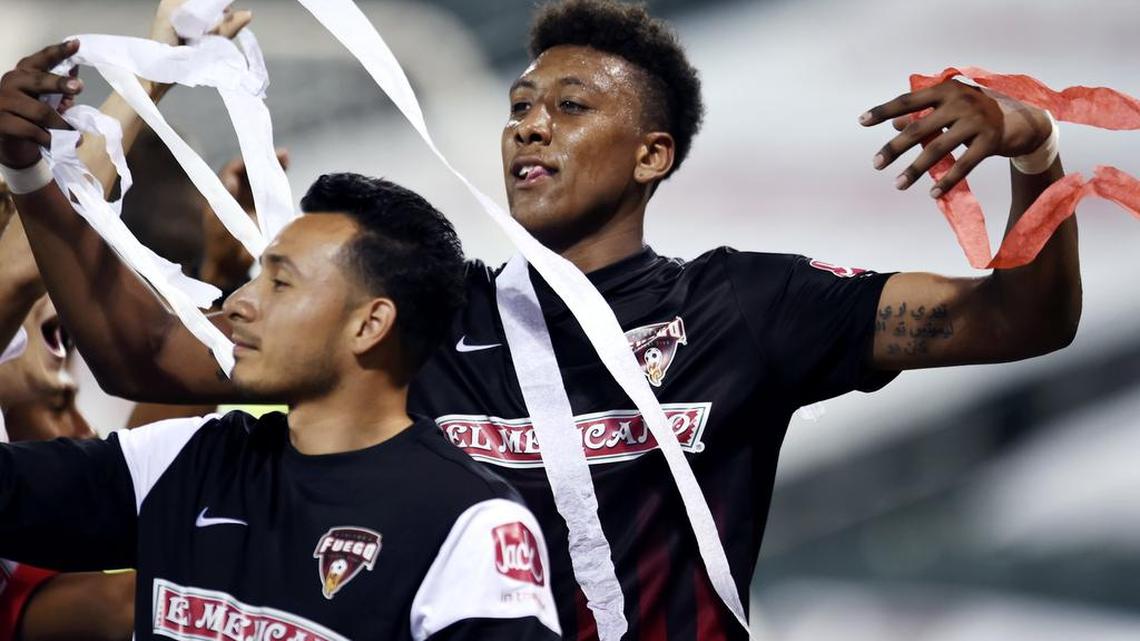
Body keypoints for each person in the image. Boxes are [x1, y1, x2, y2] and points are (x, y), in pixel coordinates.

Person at [0, 0, 1081, 639]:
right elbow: (143, 353)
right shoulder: (416, 316)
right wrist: (37, 172)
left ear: (652, 154)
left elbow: (1024, 317)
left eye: (573, 108)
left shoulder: (748, 307)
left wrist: (1035, 159)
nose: (530, 125)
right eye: (521, 104)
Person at [0, 149, 562, 640]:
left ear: (369, 325)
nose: (239, 303)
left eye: (279, 282)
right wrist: (27, 167)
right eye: (252, 276)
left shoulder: (473, 529)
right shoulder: (178, 459)